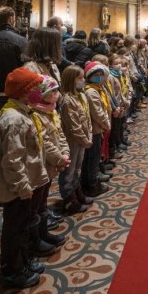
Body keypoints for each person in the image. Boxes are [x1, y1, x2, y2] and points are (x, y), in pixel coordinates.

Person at [0, 67, 48, 288]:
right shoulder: (14, 119)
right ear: (25, 91)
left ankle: (24, 261)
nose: (39, 91)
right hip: (18, 187)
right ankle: (13, 270)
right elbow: (13, 160)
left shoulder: (22, 112)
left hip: (27, 182)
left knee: (24, 224)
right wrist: (22, 186)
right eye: (36, 87)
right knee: (15, 229)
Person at [27, 76, 69, 256]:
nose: (56, 94)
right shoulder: (35, 114)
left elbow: (60, 133)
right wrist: (59, 158)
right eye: (52, 91)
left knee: (43, 202)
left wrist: (65, 152)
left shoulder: (51, 110)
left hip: (52, 164)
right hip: (42, 165)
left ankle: (44, 234)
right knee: (35, 205)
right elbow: (44, 142)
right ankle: (35, 240)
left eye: (57, 90)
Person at [58, 65, 93, 214]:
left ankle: (77, 193)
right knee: (69, 170)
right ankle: (69, 199)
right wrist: (84, 138)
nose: (83, 80)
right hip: (73, 139)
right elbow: (73, 124)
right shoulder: (67, 100)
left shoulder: (81, 95)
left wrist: (88, 135)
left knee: (77, 168)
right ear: (71, 80)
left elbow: (86, 117)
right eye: (80, 78)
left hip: (82, 138)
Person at [81, 62, 112, 197]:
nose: (100, 77)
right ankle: (91, 184)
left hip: (99, 127)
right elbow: (97, 112)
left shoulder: (98, 88)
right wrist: (106, 124)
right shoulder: (91, 91)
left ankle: (93, 179)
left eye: (101, 75)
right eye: (96, 75)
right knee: (92, 158)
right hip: (95, 129)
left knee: (95, 156)